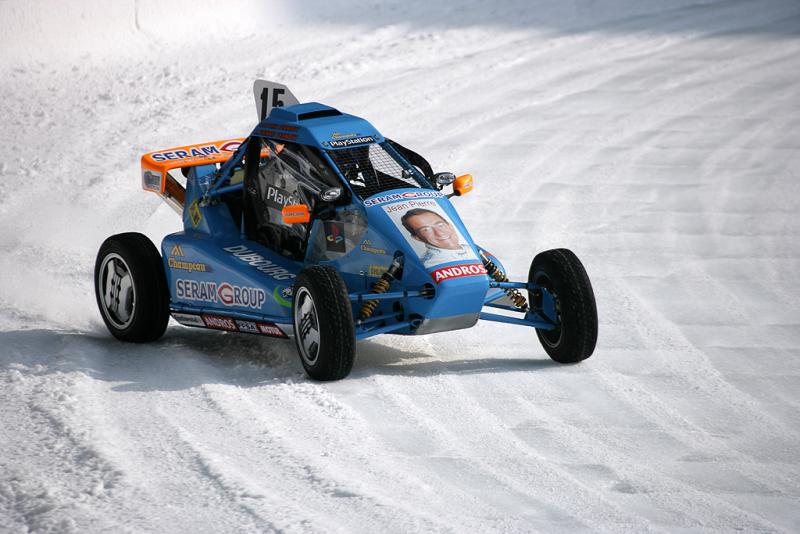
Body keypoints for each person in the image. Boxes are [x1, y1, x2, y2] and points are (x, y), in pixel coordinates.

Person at [400, 208, 476, 267]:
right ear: (417, 238)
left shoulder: (472, 249)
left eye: (440, 225)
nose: (439, 233)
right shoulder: (430, 263)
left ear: (450, 225)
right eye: (426, 230)